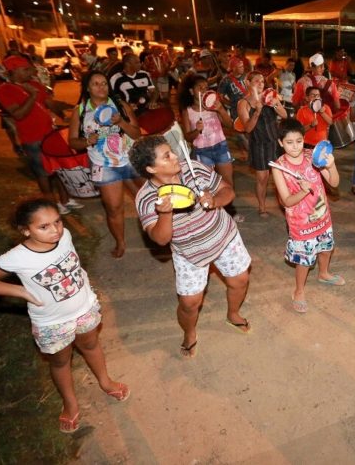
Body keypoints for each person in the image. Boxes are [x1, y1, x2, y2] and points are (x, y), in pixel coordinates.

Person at [0, 198, 130, 433]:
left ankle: (105, 381)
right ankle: (70, 402)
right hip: (52, 323)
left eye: (58, 222)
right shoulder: (17, 257)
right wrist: (19, 290)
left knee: (92, 345)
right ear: (25, 230)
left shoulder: (64, 237)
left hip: (84, 309)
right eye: (43, 227)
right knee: (60, 361)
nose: (55, 230)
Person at [130, 135, 253, 358]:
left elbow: (227, 191)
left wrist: (215, 201)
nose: (176, 156)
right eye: (167, 156)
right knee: (189, 303)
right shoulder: (146, 198)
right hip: (189, 253)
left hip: (223, 236)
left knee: (240, 279)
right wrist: (165, 214)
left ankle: (233, 314)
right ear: (150, 168)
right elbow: (160, 239)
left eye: (172, 151)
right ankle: (189, 333)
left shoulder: (194, 169)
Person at [272, 119, 344, 313]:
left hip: (322, 216)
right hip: (300, 223)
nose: (295, 146)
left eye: (298, 141)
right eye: (289, 142)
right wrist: (304, 191)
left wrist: (332, 166)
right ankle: (299, 291)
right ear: (280, 143)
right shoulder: (278, 167)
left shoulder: (312, 156)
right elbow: (286, 201)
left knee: (326, 248)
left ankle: (324, 273)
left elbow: (335, 183)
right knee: (304, 261)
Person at [68, 71, 142, 258]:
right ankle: (120, 242)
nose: (101, 87)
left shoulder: (119, 105)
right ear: (87, 87)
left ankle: (158, 231)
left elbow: (136, 133)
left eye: (104, 83)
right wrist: (87, 141)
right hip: (104, 166)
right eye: (96, 84)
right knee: (114, 208)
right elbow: (72, 142)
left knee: (149, 197)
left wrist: (121, 122)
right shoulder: (80, 111)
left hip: (130, 159)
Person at [0, 55, 81, 214]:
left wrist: (70, 111)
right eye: (26, 69)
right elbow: (19, 114)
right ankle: (52, 205)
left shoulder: (34, 84)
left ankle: (65, 201)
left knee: (59, 169)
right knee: (43, 174)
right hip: (32, 139)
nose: (31, 72)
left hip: (50, 134)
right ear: (13, 71)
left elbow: (49, 103)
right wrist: (32, 96)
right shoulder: (4, 90)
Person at [179, 74, 243, 222]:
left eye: (206, 87)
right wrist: (197, 130)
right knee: (206, 185)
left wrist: (220, 110)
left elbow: (229, 125)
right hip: (202, 151)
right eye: (199, 88)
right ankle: (211, 215)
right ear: (191, 91)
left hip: (220, 146)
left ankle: (230, 213)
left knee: (227, 183)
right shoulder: (187, 111)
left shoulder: (213, 105)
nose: (203, 90)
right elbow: (188, 137)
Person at [237, 71, 288, 216]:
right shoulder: (243, 103)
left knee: (281, 176)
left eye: (262, 81)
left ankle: (285, 203)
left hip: (275, 141)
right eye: (256, 81)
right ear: (248, 83)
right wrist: (257, 111)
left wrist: (276, 104)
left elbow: (284, 115)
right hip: (258, 144)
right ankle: (262, 206)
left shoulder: (270, 96)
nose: (260, 84)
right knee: (263, 178)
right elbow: (247, 128)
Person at [219, 57, 250, 160]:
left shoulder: (246, 76)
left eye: (242, 66)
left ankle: (249, 151)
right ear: (233, 68)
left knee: (249, 130)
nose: (242, 68)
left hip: (248, 107)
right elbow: (220, 96)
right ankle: (248, 152)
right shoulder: (226, 80)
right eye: (240, 66)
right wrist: (231, 104)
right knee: (240, 131)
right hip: (236, 110)